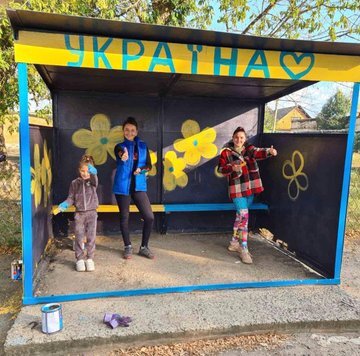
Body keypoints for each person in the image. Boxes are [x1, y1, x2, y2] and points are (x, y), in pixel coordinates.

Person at [217, 127, 277, 264]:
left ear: (245, 139)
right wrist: (232, 167)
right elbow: (220, 169)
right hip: (236, 189)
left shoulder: (249, 149)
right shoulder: (226, 153)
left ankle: (233, 242)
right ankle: (244, 249)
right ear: (233, 138)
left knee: (241, 216)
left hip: (250, 189)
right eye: (236, 137)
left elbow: (258, 152)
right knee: (244, 216)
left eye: (242, 138)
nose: (239, 140)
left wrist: (269, 151)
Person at [113, 117, 154, 260]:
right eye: (126, 130)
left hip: (139, 186)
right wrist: (122, 155)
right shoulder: (120, 146)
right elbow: (119, 152)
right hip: (122, 187)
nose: (129, 133)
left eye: (132, 130)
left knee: (149, 217)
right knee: (124, 218)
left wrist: (141, 169)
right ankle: (127, 246)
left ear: (136, 132)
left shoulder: (143, 146)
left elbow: (149, 165)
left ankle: (144, 247)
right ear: (123, 131)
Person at [58, 155, 99, 272]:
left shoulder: (92, 181)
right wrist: (65, 204)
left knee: (91, 237)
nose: (85, 173)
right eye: (82, 171)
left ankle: (90, 259)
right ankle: (80, 259)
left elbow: (95, 180)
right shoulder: (74, 183)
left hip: (92, 213)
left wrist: (94, 174)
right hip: (79, 214)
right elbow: (71, 198)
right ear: (79, 170)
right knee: (79, 236)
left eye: (88, 171)